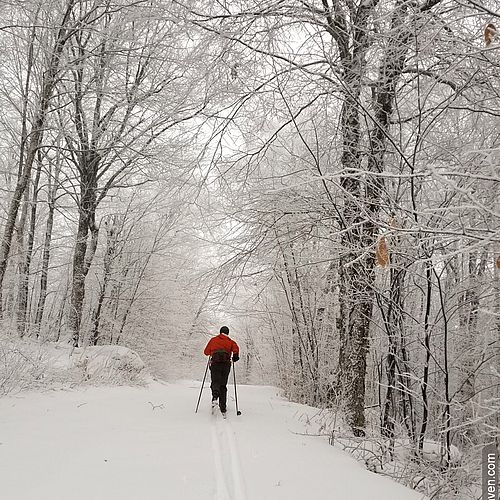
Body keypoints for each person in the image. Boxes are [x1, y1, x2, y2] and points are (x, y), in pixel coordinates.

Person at [203, 326, 239, 415]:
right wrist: (235, 356)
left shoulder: (213, 340)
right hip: (226, 365)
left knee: (215, 381)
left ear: (220, 332)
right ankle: (223, 407)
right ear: (228, 333)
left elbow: (206, 352)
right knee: (223, 384)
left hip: (215, 364)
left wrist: (212, 352)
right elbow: (236, 350)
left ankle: (215, 395)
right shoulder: (231, 342)